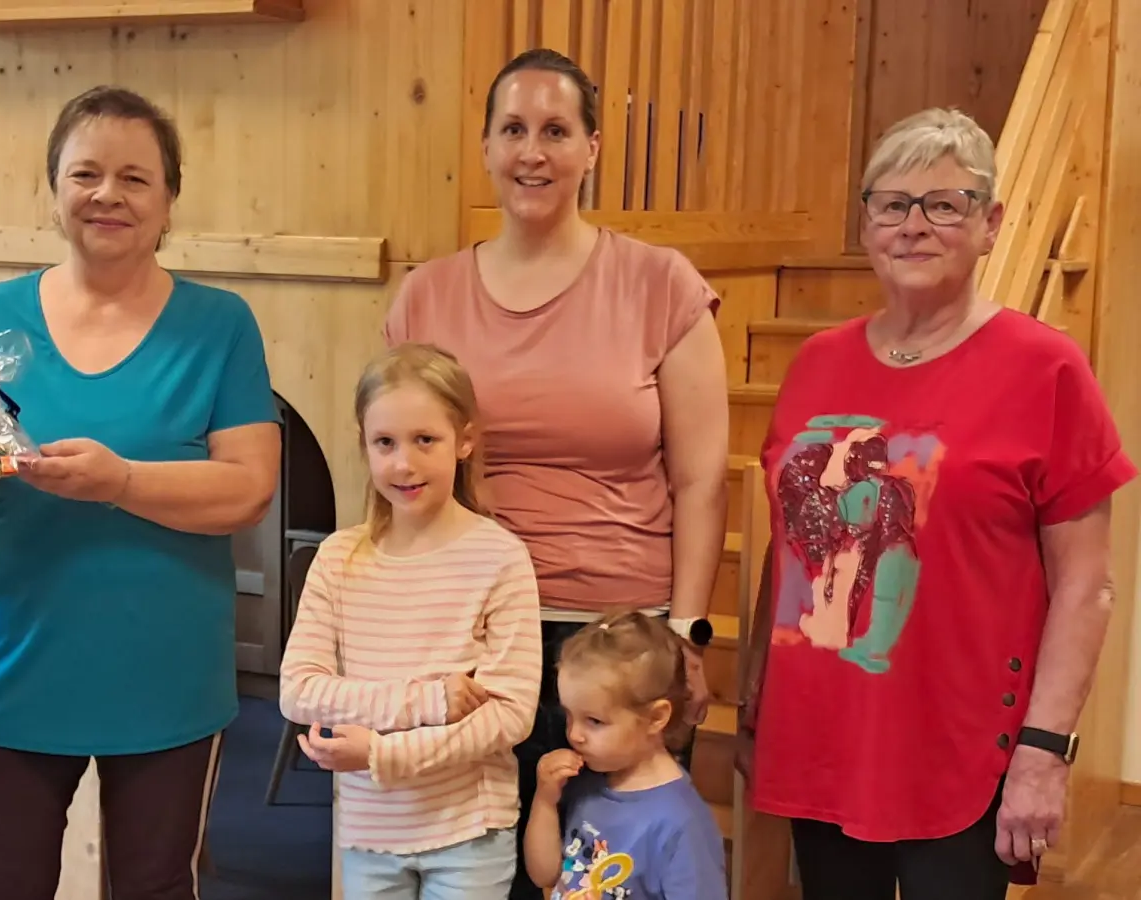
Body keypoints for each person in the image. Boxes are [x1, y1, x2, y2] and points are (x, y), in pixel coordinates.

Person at [0, 85, 280, 900]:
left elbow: (248, 491)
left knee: (156, 888)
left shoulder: (221, 324)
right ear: (54, 190)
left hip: (166, 680)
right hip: (10, 675)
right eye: (86, 174)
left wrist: (122, 483)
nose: (108, 195)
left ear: (170, 199)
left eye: (135, 178)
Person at [737, 107, 1137, 900]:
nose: (914, 225)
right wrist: (755, 692)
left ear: (989, 225)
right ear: (867, 223)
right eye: (893, 204)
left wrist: (1044, 751)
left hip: (959, 745)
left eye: (944, 205)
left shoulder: (1045, 367)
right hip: (822, 731)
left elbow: (1086, 588)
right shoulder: (817, 362)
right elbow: (789, 545)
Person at [381, 47, 731, 899]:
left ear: (592, 148)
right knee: (480, 869)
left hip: (616, 639)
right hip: (469, 633)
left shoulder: (660, 284)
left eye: (555, 130)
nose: (532, 151)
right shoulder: (426, 296)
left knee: (603, 880)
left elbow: (702, 479)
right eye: (512, 130)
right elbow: (397, 465)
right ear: (488, 148)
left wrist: (686, 632)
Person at [278, 341, 542, 899]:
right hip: (371, 833)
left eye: (425, 440)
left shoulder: (499, 556)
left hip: (471, 832)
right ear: (365, 447)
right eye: (385, 443)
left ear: (464, 441)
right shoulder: (339, 558)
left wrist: (383, 753)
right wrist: (427, 703)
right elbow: (298, 691)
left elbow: (510, 714)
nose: (404, 463)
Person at [524, 611, 728, 900]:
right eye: (569, 716)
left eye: (594, 721)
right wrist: (545, 799)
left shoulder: (682, 822)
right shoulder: (586, 780)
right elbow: (543, 873)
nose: (574, 734)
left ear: (656, 718)